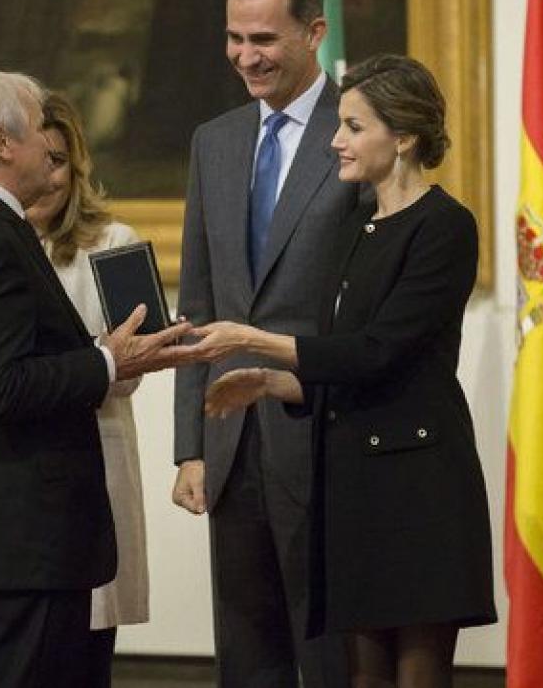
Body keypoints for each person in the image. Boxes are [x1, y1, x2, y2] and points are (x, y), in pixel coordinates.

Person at [189, 54, 497, 688]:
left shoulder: (444, 227)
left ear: (403, 136)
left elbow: (380, 351)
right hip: (354, 481)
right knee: (362, 676)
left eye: (354, 126)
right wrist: (271, 382)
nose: (335, 140)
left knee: (416, 673)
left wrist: (257, 341)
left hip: (418, 484)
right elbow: (346, 359)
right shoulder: (359, 228)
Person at [0, 68, 190, 688]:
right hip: (18, 550)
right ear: (2, 142)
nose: (50, 159)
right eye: (36, 136)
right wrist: (108, 360)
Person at [172, 0, 359, 688]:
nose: (246, 57)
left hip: (324, 440)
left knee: (332, 658)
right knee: (248, 662)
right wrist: (189, 445)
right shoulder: (213, 141)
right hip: (230, 445)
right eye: (234, 37)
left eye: (265, 40)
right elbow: (199, 299)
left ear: (315, 32)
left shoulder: (358, 132)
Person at [25, 92, 149, 687]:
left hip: (93, 463)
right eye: (37, 159)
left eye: (59, 160)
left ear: (77, 165)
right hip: (15, 476)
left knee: (82, 658)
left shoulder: (114, 242)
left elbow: (137, 366)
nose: (47, 177)